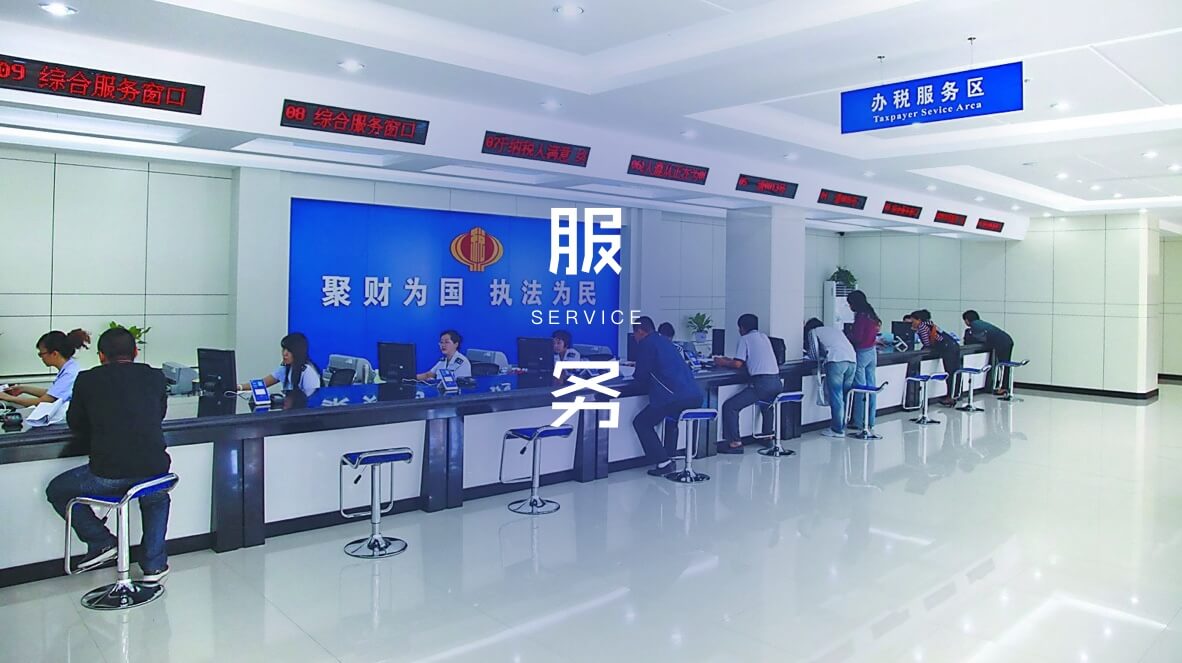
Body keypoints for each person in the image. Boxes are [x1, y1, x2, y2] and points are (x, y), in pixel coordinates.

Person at [45, 327, 172, 582]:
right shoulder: (156, 376)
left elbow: (76, 423)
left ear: (101, 355)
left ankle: (101, 541)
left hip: (108, 475)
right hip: (155, 469)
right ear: (135, 352)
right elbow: (159, 414)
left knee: (57, 490)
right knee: (156, 496)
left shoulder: (87, 380)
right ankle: (154, 566)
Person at [631, 316, 704, 476]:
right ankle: (670, 456)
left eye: (634, 334)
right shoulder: (666, 342)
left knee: (641, 422)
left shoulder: (646, 344)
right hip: (695, 395)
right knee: (671, 419)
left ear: (640, 331)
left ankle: (663, 463)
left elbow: (640, 376)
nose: (634, 338)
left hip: (673, 397)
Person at [713, 314, 781, 454]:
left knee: (730, 406)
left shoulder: (745, 339)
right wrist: (730, 360)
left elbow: (737, 364)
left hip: (762, 384)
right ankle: (767, 436)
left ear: (742, 328)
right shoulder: (764, 337)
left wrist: (722, 362)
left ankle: (735, 443)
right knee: (767, 404)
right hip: (776, 382)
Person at [0, 329, 91, 407]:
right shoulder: (70, 368)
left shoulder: (70, 374)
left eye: (41, 354)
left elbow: (44, 401)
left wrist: (7, 398)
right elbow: (53, 393)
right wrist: (23, 389)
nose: (41, 357)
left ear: (54, 354)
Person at [805, 318, 856, 439]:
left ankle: (837, 429)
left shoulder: (813, 332)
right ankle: (843, 425)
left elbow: (813, 354)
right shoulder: (834, 330)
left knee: (836, 396)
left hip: (836, 361)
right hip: (852, 361)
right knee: (845, 396)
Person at [240, 332, 320, 397]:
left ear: (298, 352)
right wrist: (239, 387)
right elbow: (263, 383)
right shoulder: (285, 368)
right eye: (284, 349)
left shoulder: (307, 371)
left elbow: (312, 400)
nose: (284, 354)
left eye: (289, 351)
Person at [845, 291, 882, 433]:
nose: (849, 306)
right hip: (872, 352)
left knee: (860, 388)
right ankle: (870, 420)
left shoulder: (860, 316)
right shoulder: (871, 314)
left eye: (850, 303)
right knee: (871, 388)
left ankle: (859, 422)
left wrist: (847, 335)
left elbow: (857, 337)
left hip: (861, 352)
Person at [911, 309, 961, 406]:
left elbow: (926, 343)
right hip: (953, 345)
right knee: (954, 372)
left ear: (919, 320)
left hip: (947, 348)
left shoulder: (922, 326)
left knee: (950, 372)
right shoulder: (930, 324)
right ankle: (954, 395)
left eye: (913, 321)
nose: (912, 324)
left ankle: (950, 397)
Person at [963, 310, 1015, 396]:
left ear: (967, 320)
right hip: (1007, 341)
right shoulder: (981, 323)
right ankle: (1004, 387)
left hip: (1002, 343)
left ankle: (1004, 388)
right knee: (1005, 365)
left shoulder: (974, 325)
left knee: (1004, 365)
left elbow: (979, 338)